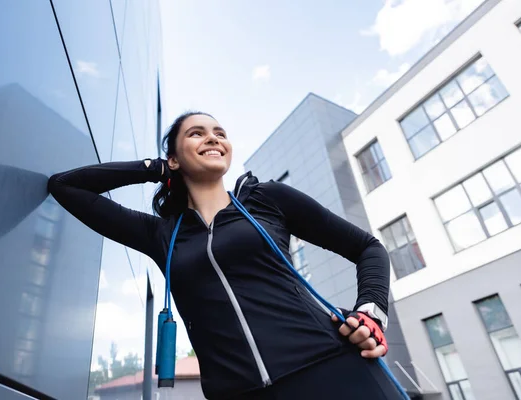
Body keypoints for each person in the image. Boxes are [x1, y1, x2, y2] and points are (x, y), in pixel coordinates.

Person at [48, 112, 404, 400]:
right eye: (197, 133)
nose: (213, 138)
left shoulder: (267, 200)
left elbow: (368, 248)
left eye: (219, 132)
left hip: (331, 368)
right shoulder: (161, 235)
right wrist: (154, 168)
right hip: (237, 391)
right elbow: (66, 187)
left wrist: (370, 314)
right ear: (174, 157)